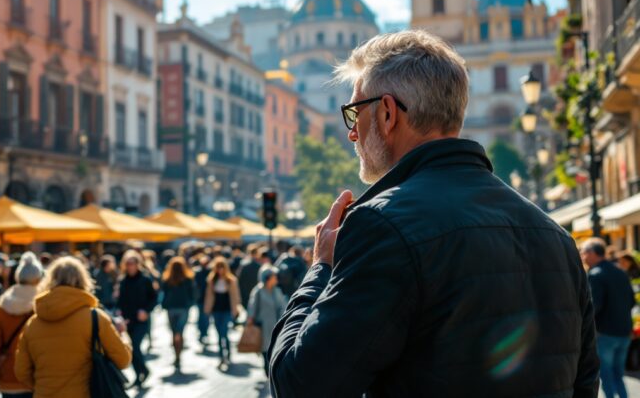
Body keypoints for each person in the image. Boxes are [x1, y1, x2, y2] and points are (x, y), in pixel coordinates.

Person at [268, 31, 600, 397]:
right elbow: (585, 384)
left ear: (388, 113)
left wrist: (321, 267)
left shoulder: (383, 224)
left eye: (355, 114)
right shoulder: (554, 234)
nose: (352, 134)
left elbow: (299, 385)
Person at [15, 256, 131, 398]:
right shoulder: (95, 317)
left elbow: (21, 372)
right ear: (83, 280)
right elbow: (123, 359)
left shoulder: (32, 323)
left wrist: (44, 385)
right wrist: (124, 334)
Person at [581, 238, 635, 398]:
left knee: (606, 376)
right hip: (624, 331)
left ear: (592, 253)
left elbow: (593, 307)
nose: (583, 257)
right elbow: (631, 301)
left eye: (584, 253)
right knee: (618, 375)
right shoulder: (620, 272)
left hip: (606, 333)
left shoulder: (596, 274)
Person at [0, 252, 44, 398]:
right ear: (39, 278)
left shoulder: (3, 304)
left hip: (9, 376)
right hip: (36, 375)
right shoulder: (43, 305)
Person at [116, 250, 157, 387]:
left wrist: (146, 310)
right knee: (130, 348)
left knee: (135, 346)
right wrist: (120, 315)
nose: (130, 266)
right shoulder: (123, 280)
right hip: (128, 320)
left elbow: (153, 298)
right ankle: (140, 373)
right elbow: (120, 301)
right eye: (128, 264)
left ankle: (142, 371)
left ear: (137, 264)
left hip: (141, 320)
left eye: (132, 264)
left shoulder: (145, 279)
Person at [247, 266, 286, 377]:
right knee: (265, 350)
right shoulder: (258, 291)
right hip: (262, 326)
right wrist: (250, 319)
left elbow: (282, 307)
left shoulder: (277, 290)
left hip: (276, 325)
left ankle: (272, 371)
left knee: (275, 348)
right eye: (274, 276)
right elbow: (252, 307)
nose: (276, 278)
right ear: (268, 278)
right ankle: (268, 372)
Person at [204, 256, 241, 367]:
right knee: (219, 333)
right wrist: (207, 309)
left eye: (222, 267)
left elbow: (236, 297)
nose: (220, 270)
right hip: (216, 310)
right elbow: (208, 296)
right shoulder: (212, 280)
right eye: (218, 267)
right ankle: (221, 356)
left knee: (224, 332)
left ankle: (227, 354)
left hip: (227, 309)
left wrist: (236, 309)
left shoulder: (231, 280)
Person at [161, 256, 196, 370]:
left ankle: (176, 355)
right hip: (183, 308)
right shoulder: (187, 279)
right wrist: (190, 304)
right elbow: (193, 294)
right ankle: (178, 355)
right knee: (180, 332)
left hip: (172, 308)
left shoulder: (167, 279)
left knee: (174, 331)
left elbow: (164, 294)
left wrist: (164, 305)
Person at [193, 255, 211, 345]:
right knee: (203, 316)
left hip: (205, 298)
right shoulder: (198, 272)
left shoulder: (210, 272)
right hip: (201, 298)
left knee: (204, 316)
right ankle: (203, 332)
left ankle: (203, 332)